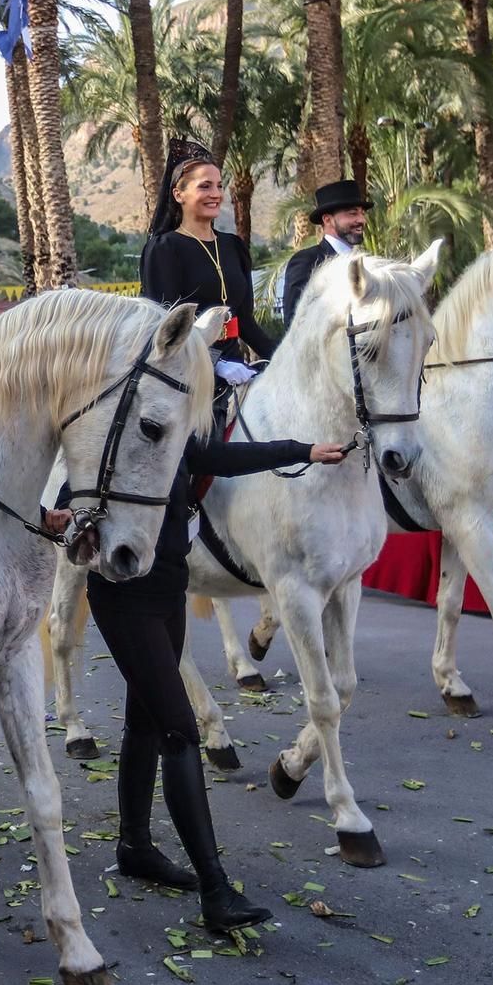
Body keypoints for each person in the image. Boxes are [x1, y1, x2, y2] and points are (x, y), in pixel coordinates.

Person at [92, 427, 351, 929]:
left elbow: (229, 456)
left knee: (145, 721)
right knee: (180, 732)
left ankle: (135, 845)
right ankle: (215, 890)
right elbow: (70, 494)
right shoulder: (112, 432)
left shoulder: (175, 433)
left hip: (169, 589)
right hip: (125, 598)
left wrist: (303, 450)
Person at [140, 139, 276, 429]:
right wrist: (214, 366)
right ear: (178, 194)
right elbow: (164, 329)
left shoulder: (233, 246)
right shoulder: (165, 248)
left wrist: (282, 358)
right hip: (186, 381)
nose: (216, 194)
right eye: (204, 186)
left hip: (239, 372)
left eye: (218, 186)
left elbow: (245, 321)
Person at [279, 179, 371, 324]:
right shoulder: (307, 261)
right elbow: (294, 321)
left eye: (362, 214)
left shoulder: (366, 263)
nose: (362, 220)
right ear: (328, 220)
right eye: (353, 214)